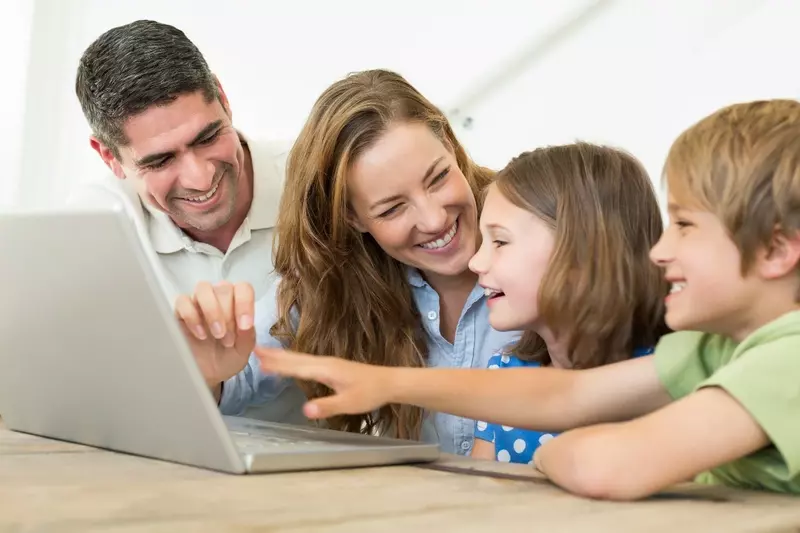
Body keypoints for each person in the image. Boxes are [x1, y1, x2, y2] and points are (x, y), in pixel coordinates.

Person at [255, 99, 800, 499]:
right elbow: (568, 397)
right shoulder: (709, 349)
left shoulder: (787, 359)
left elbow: (604, 465)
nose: (658, 250)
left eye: (683, 225)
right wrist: (391, 382)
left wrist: (548, 453)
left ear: (776, 251)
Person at [175, 69, 520, 454]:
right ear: (353, 218)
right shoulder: (335, 280)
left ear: (452, 148)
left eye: (438, 178)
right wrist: (210, 371)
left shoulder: (541, 224)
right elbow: (237, 379)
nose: (434, 219)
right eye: (392, 209)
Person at [70, 20, 303, 423]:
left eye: (208, 137)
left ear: (224, 98)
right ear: (109, 157)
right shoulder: (94, 226)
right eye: (161, 160)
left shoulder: (313, 184)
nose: (200, 178)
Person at [466, 143, 668, 464]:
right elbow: (476, 497)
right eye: (482, 242)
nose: (476, 262)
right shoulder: (505, 374)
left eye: (500, 241)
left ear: (582, 253)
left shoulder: (667, 375)